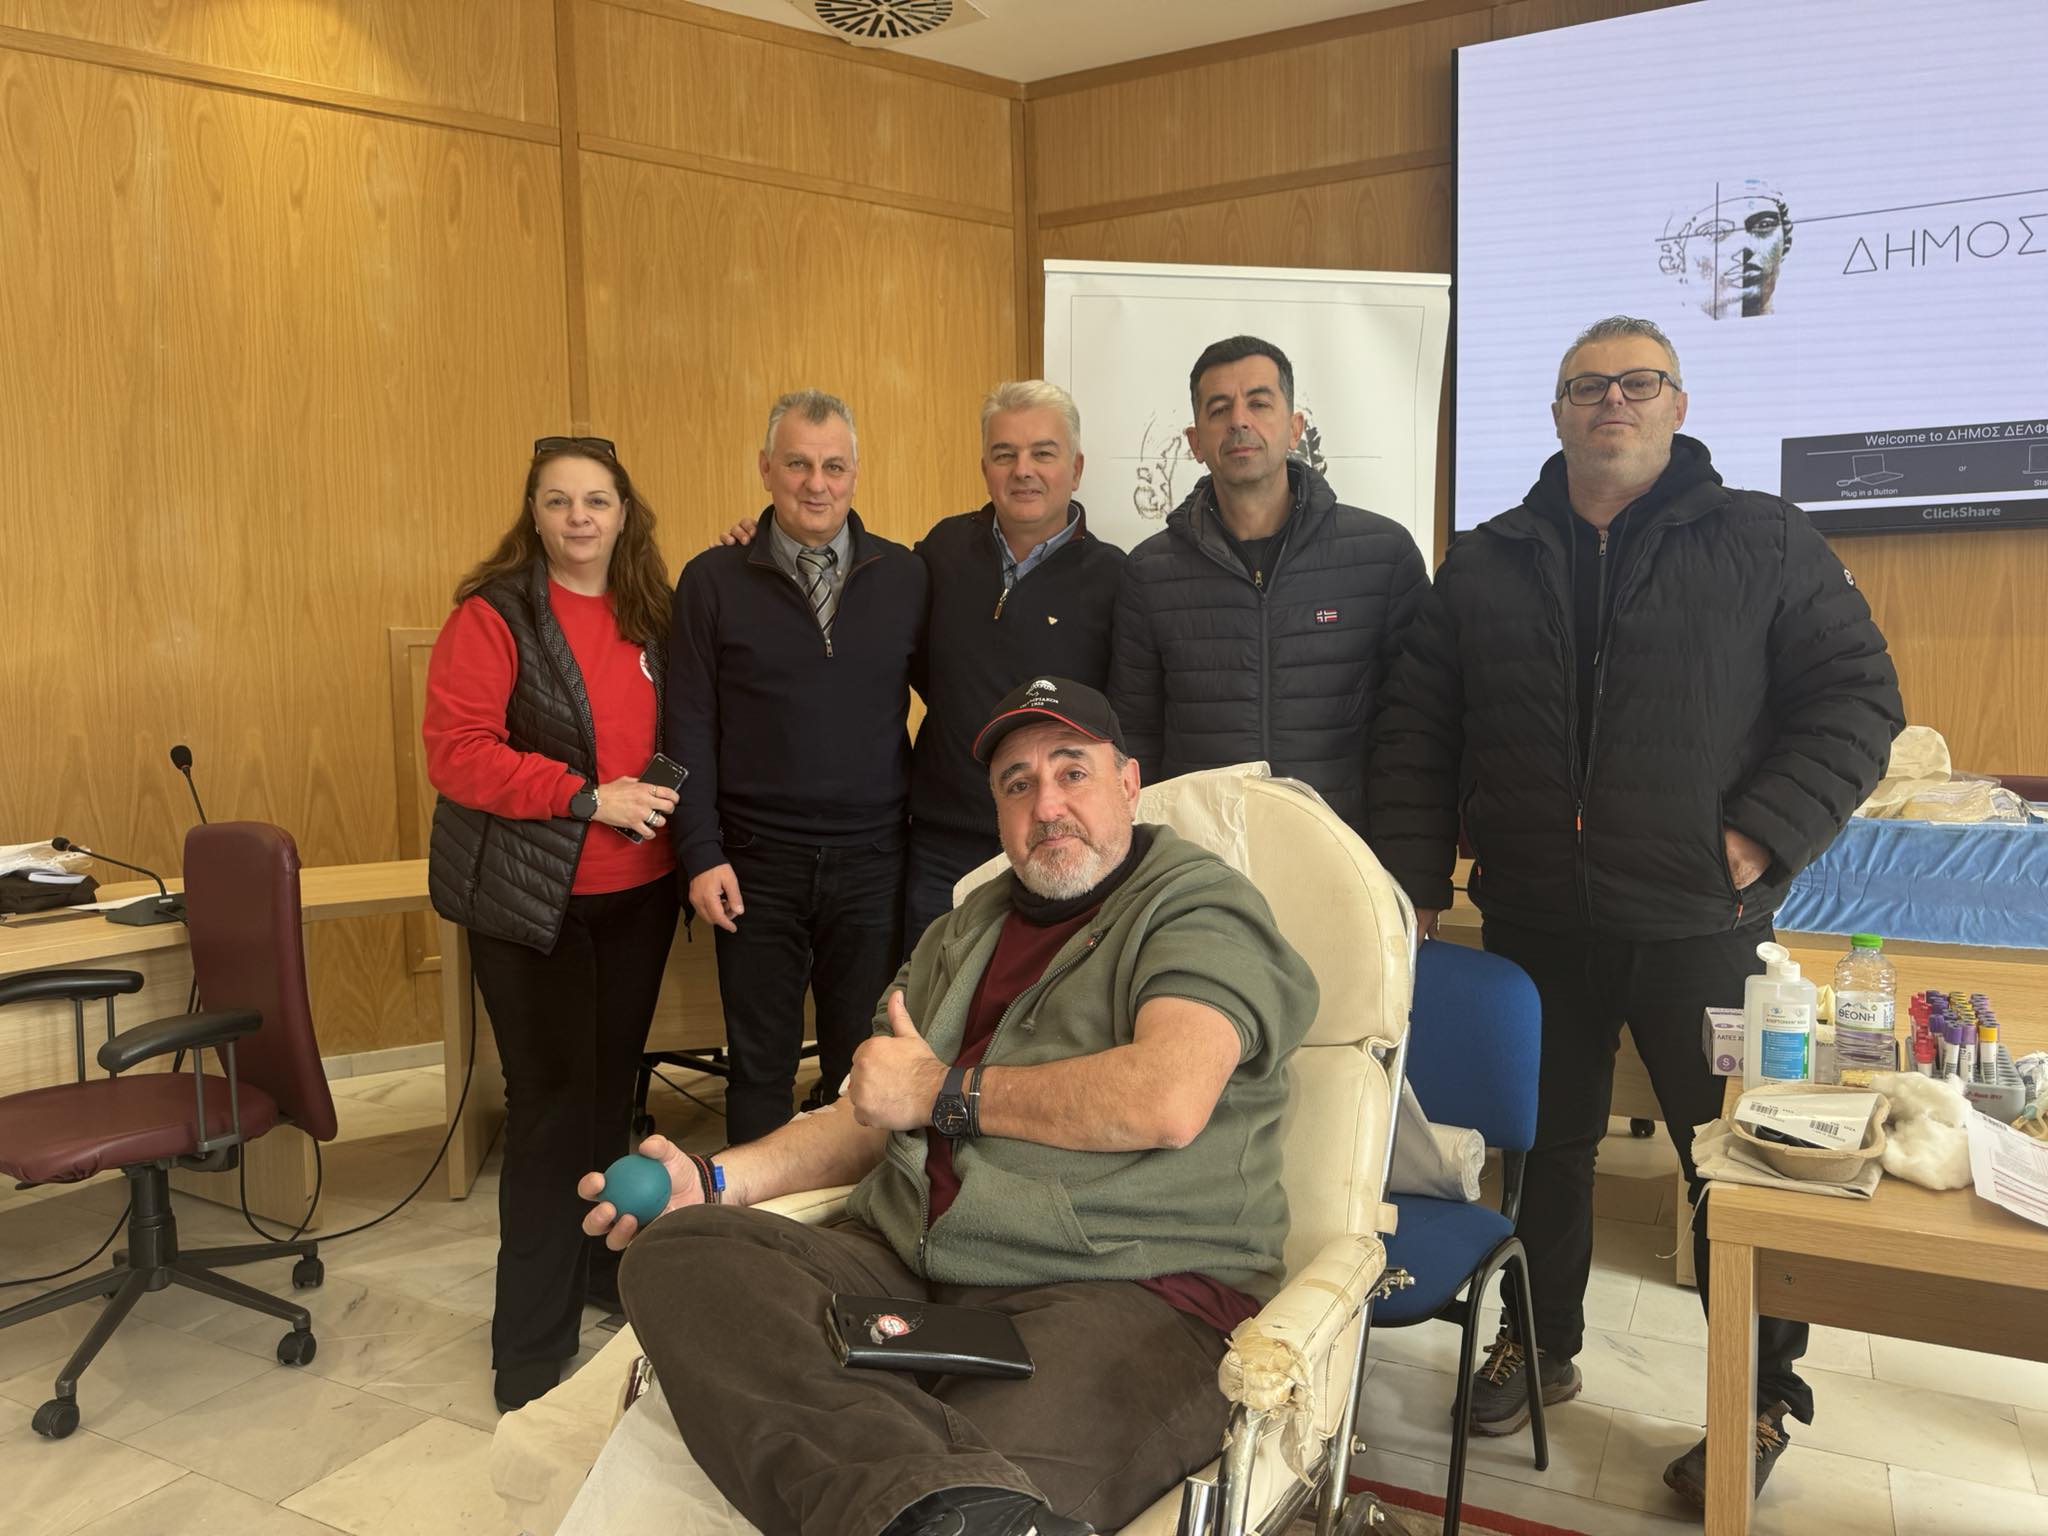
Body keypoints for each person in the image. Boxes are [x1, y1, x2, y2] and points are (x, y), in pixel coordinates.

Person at [1365, 315, 1903, 1506]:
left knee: (1736, 1171)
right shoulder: (1486, 560)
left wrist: (1758, 833)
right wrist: (1411, 886)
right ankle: (1537, 1345)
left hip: (1699, 922)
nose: (1611, 401)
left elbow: (1857, 698)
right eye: (1586, 386)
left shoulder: (1761, 538)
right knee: (1544, 1151)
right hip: (1534, 922)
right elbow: (1416, 731)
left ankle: (1755, 1399)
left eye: (1637, 382)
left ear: (1675, 403)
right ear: (1556, 412)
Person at [583, 677, 1318, 1536]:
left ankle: (917, 1486)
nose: (1047, 805)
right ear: (997, 814)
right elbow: (872, 1109)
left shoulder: (1198, 907)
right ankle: (920, 1483)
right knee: (682, 1254)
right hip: (910, 1264)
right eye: (1018, 784)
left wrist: (942, 1090)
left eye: (1072, 772)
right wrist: (713, 1179)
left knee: (974, 1490)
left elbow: (1168, 1096)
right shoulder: (960, 932)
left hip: (1126, 1288)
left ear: (1128, 783)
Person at [424, 434, 683, 1411]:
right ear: (532, 514)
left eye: (597, 500)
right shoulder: (494, 615)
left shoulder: (653, 613)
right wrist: (585, 797)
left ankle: (594, 1274)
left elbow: (681, 733)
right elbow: (457, 753)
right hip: (534, 904)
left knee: (608, 1098)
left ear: (625, 514)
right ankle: (528, 1349)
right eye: (559, 500)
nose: (580, 517)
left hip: (640, 894)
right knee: (547, 1113)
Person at [715, 380, 1126, 953]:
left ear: (1075, 469)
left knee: (1048, 1001)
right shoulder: (941, 551)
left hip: (1058, 835)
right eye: (1004, 454)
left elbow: (1121, 721)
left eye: (1043, 453)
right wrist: (763, 540)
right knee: (930, 1000)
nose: (1023, 470)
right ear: (984, 468)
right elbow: (911, 658)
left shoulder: (1115, 579)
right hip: (943, 843)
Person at [667, 390, 927, 1144]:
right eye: (798, 465)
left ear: (855, 473)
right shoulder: (711, 581)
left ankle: (852, 1217)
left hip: (874, 861)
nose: (817, 484)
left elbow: (950, 700)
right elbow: (688, 727)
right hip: (754, 864)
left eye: (834, 466)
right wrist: (700, 851)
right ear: (765, 469)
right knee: (759, 1067)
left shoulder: (907, 576)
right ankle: (750, 1216)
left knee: (862, 1064)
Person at [1108, 335, 1427, 837]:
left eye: (1259, 403)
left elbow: (1414, 735)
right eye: (1219, 409)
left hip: (1343, 855)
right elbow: (1135, 740)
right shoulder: (1150, 572)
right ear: (1195, 442)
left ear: (1294, 427)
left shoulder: (1383, 556)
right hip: (1202, 862)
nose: (1239, 420)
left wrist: (1407, 870)